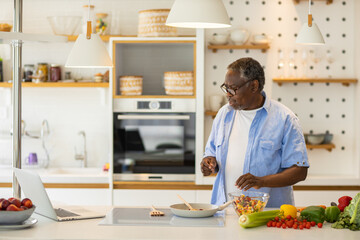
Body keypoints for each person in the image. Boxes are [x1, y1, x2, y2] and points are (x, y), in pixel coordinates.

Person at [201, 57, 309, 208]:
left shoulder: (285, 119)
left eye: (232, 89)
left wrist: (261, 181)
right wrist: (209, 162)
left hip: (268, 215)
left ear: (253, 86)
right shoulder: (223, 114)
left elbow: (299, 171)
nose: (228, 94)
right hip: (225, 211)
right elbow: (211, 152)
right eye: (226, 88)